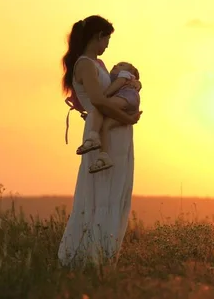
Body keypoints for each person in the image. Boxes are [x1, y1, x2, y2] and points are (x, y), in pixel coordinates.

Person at [57, 15, 142, 267]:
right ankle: (89, 257)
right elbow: (98, 101)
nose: (107, 45)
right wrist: (128, 118)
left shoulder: (100, 64)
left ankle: (104, 256)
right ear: (97, 36)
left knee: (115, 191)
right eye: (106, 39)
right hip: (105, 135)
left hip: (116, 134)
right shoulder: (85, 64)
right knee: (101, 192)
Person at [76, 61, 142, 174]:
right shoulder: (129, 79)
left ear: (130, 71)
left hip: (126, 98)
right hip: (128, 106)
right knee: (105, 126)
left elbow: (119, 83)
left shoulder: (124, 75)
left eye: (121, 65)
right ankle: (104, 157)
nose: (116, 66)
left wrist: (104, 97)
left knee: (99, 106)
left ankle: (93, 137)